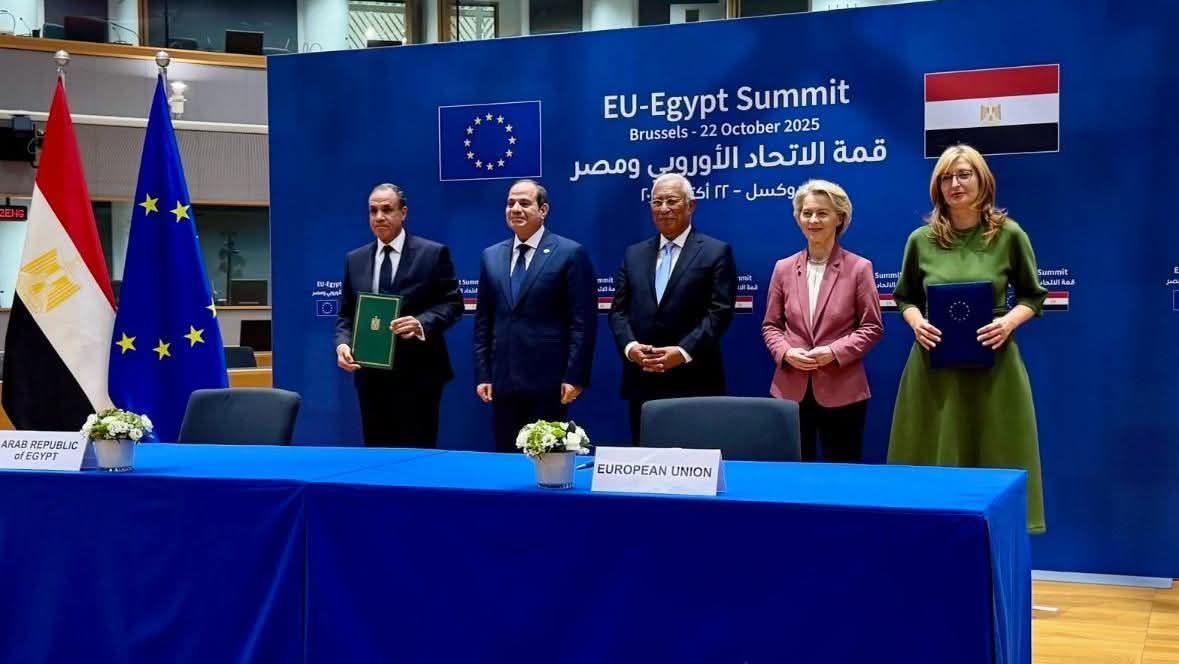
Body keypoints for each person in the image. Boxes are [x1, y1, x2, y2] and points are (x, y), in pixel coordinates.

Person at [887, 144, 1048, 533]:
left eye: (964, 175)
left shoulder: (1009, 235)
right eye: (946, 177)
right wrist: (916, 321)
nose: (955, 184)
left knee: (997, 454)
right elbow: (904, 298)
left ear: (982, 181)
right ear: (937, 187)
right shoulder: (920, 239)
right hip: (933, 369)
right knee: (931, 462)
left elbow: (1033, 296)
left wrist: (1007, 323)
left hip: (994, 366)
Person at [608, 173, 737, 442]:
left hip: (695, 379)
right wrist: (631, 348)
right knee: (646, 459)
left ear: (691, 205)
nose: (664, 208)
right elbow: (618, 312)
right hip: (642, 380)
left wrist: (682, 352)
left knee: (695, 459)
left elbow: (719, 313)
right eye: (657, 202)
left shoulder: (715, 252)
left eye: (672, 201)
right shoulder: (633, 254)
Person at [761, 179, 883, 462]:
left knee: (842, 475)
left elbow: (872, 327)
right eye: (807, 213)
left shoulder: (859, 268)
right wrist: (786, 352)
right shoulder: (783, 268)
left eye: (822, 213)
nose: (813, 220)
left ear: (839, 218)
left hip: (843, 390)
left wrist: (833, 352)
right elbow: (771, 326)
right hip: (790, 391)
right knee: (792, 475)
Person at [335, 183, 463, 447]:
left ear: (403, 213)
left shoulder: (432, 253)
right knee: (377, 456)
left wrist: (421, 323)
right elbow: (346, 314)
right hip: (371, 377)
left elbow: (453, 304)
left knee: (417, 455)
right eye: (373, 211)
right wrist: (343, 344)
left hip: (419, 376)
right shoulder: (354, 259)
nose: (379, 217)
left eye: (387, 209)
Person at [473, 179, 597, 453]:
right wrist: (484, 374)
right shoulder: (491, 256)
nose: (516, 209)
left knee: (546, 461)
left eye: (524, 203)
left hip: (549, 383)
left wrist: (575, 376)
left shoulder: (569, 253)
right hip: (504, 382)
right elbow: (484, 321)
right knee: (506, 461)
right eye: (510, 203)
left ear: (543, 210)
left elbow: (582, 323)